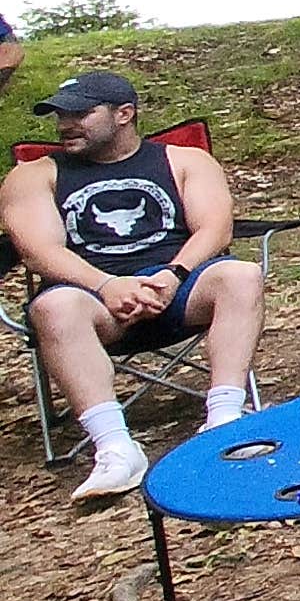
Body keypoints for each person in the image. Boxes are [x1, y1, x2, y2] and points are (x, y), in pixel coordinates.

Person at [33, 65, 250, 500]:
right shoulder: (38, 174)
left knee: (239, 274)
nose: (65, 125)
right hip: (92, 296)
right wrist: (107, 286)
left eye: (80, 114)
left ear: (124, 113)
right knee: (53, 307)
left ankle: (226, 418)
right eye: (59, 116)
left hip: (179, 283)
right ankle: (114, 447)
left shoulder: (184, 161)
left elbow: (215, 229)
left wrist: (173, 275)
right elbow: (39, 251)